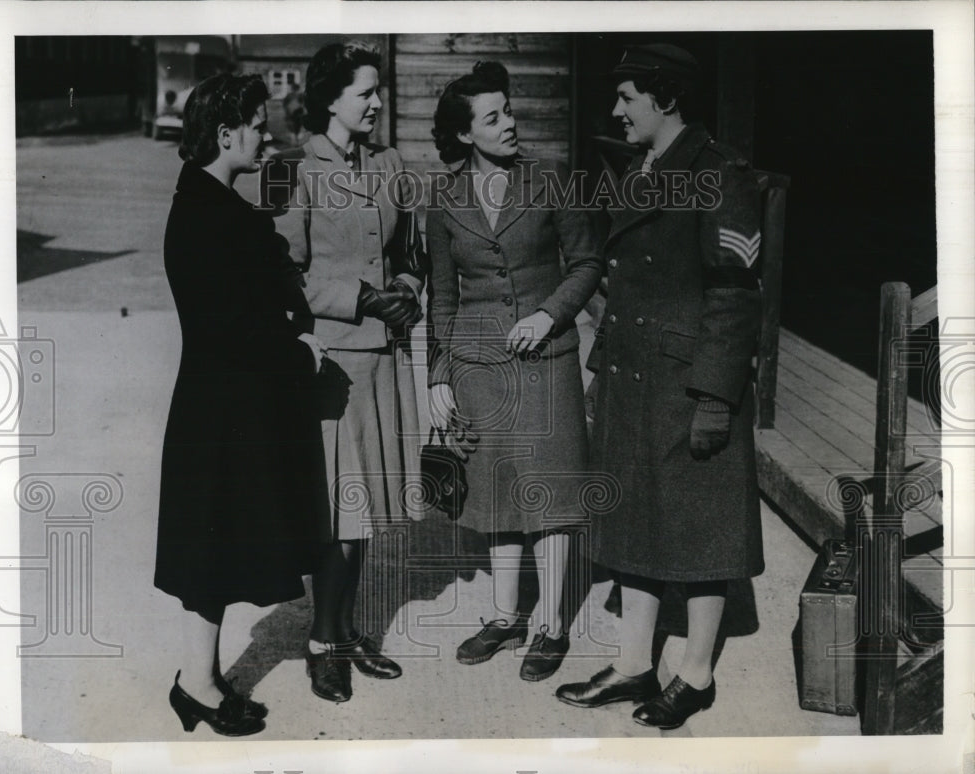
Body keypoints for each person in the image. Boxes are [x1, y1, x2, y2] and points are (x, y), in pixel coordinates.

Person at [555, 44, 764, 730]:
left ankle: (696, 673)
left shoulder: (718, 171)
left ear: (665, 98)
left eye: (627, 97)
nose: (616, 109)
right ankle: (634, 661)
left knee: (701, 527)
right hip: (634, 373)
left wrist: (715, 394)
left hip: (688, 377)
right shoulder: (642, 167)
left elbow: (734, 293)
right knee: (636, 517)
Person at [154, 73, 331, 736]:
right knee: (212, 549)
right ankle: (195, 684)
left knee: (216, 547)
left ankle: (199, 679)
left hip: (223, 404)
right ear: (226, 134)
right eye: (258, 124)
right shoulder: (208, 211)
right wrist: (300, 352)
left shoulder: (210, 201)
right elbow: (230, 324)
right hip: (222, 407)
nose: (267, 134)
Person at [426, 61, 602, 682]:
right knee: (497, 492)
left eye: (510, 111)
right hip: (478, 367)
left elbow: (585, 264)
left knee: (549, 495)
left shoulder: (552, 180)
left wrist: (550, 316)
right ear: (466, 134)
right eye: (492, 116)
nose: (510, 123)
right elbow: (441, 297)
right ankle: (506, 617)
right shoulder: (444, 199)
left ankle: (551, 625)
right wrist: (439, 375)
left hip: (545, 361)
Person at [273, 41, 425, 704]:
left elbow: (409, 246)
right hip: (333, 361)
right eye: (364, 92)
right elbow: (289, 272)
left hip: (383, 356)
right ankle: (323, 641)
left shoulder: (389, 164)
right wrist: (360, 298)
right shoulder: (294, 171)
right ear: (330, 97)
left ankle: (344, 627)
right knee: (341, 508)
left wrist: (408, 288)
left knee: (365, 510)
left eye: (378, 91)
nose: (376, 103)